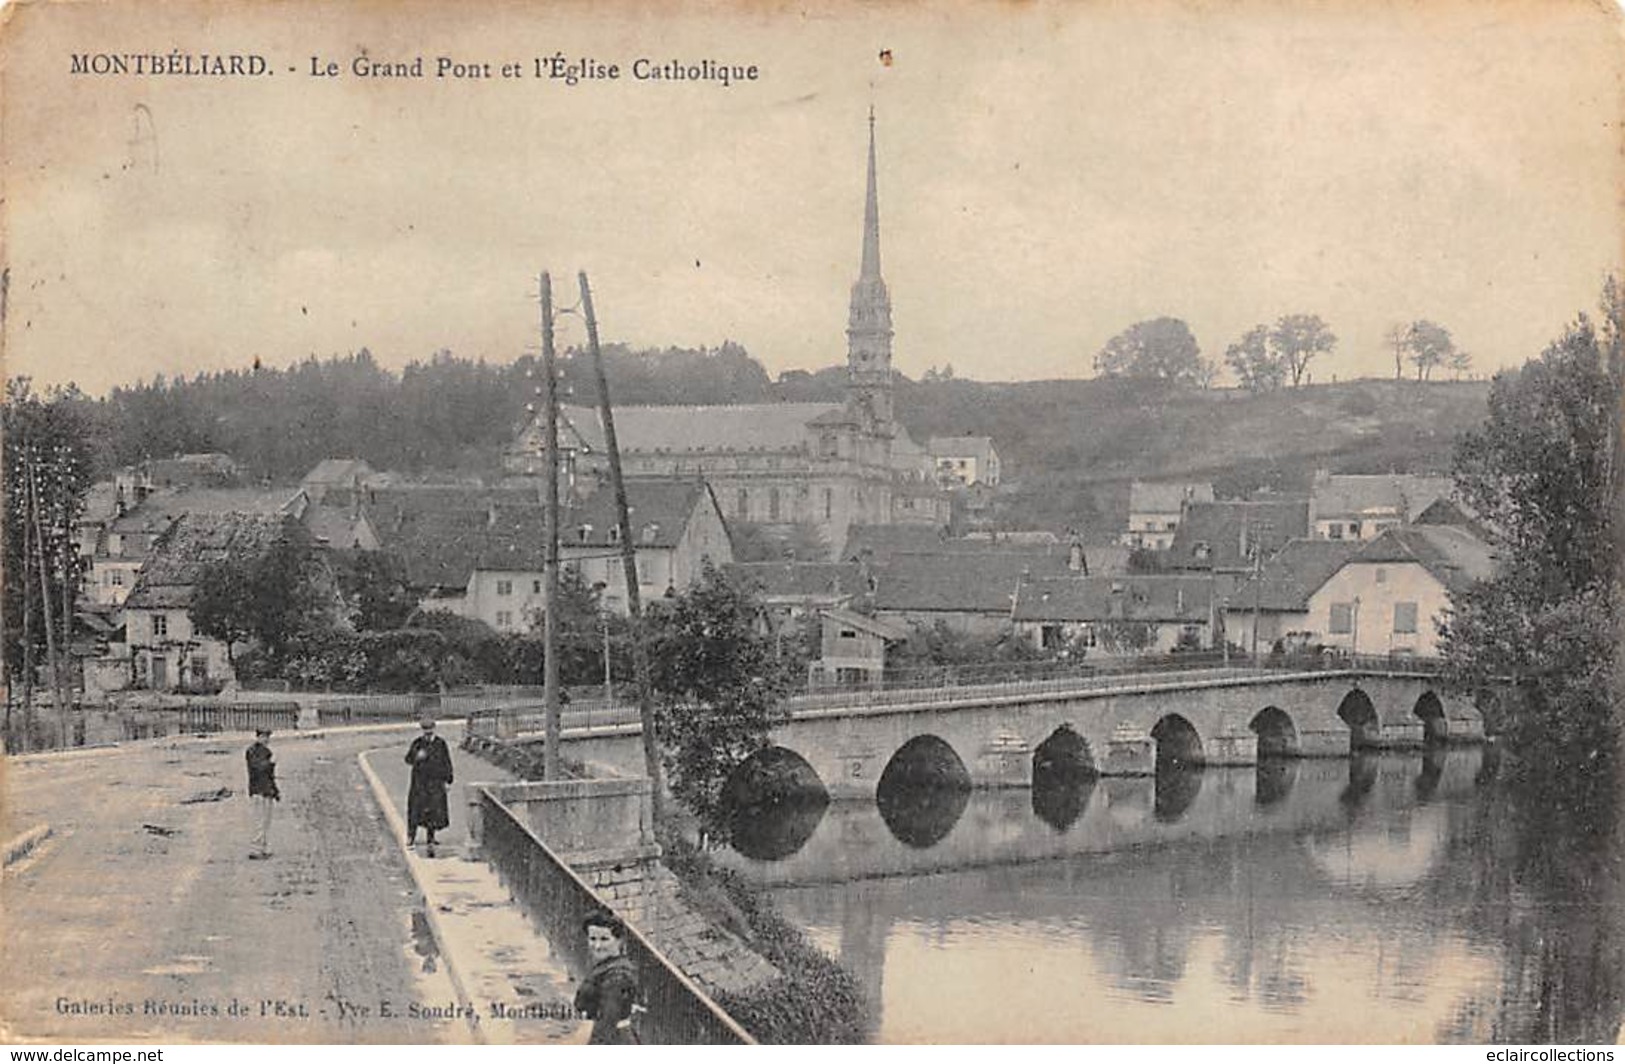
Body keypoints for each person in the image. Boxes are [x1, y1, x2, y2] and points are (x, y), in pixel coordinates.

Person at [573, 909, 642, 1044]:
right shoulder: (607, 966)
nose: (597, 946)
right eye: (592, 939)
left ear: (619, 941)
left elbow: (607, 1022)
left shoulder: (617, 976)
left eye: (604, 939)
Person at [404, 717, 454, 857]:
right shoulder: (418, 743)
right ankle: (411, 837)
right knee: (415, 810)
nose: (427, 732)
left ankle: (430, 838)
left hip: (435, 783)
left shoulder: (440, 743)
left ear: (434, 729)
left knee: (433, 810)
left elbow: (446, 762)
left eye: (430, 729)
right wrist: (416, 756)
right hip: (419, 784)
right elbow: (407, 759)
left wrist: (448, 780)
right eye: (425, 730)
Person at [245, 727, 280, 859]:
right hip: (258, 789)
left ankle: (262, 848)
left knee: (266, 821)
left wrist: (275, 791)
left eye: (268, 737)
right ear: (258, 737)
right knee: (259, 821)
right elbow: (257, 769)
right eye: (264, 736)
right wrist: (270, 763)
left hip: (267, 790)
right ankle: (256, 849)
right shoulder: (252, 751)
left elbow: (270, 775)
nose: (266, 739)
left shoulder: (266, 752)